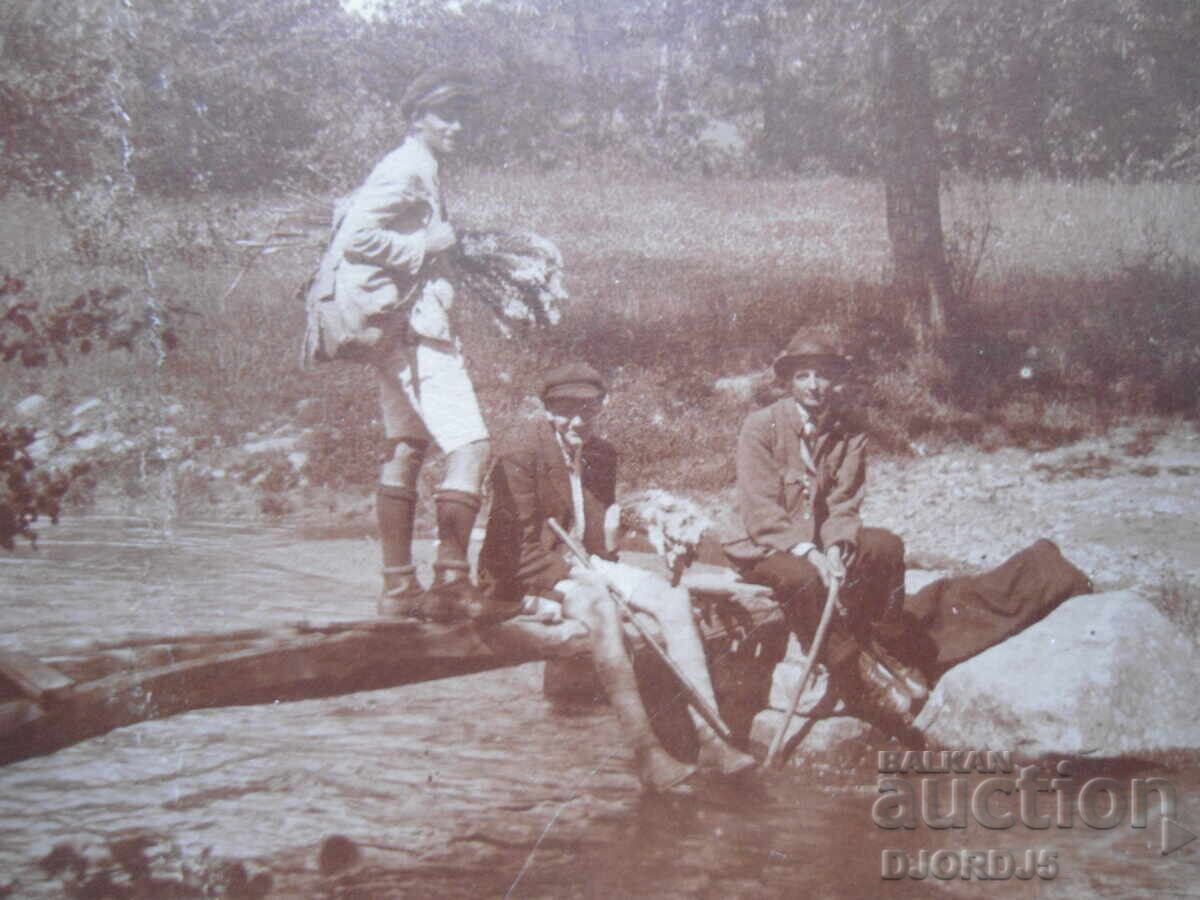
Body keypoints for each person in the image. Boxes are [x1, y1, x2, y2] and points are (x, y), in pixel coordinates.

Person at [478, 363, 757, 792]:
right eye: (565, 409)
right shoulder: (519, 454)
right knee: (601, 607)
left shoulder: (601, 454)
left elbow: (596, 539)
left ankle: (711, 737)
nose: (577, 420)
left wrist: (627, 527)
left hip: (582, 563)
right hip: (525, 572)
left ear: (600, 407)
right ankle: (646, 753)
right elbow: (516, 549)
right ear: (547, 408)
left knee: (672, 598)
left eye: (587, 409)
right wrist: (585, 576)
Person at [304, 69, 496, 623]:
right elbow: (357, 236)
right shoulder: (407, 165)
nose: (459, 127)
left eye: (464, 117)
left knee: (408, 444)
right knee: (470, 446)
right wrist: (426, 243)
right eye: (446, 116)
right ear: (417, 119)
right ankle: (452, 582)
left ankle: (396, 588)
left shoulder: (416, 164)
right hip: (415, 329)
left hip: (396, 328)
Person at [726, 330, 927, 728]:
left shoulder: (849, 429)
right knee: (802, 577)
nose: (814, 386)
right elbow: (761, 510)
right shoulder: (761, 426)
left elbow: (844, 499)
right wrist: (811, 552)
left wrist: (836, 545)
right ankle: (854, 670)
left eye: (822, 376)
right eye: (802, 376)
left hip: (818, 539)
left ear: (836, 380)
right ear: (788, 382)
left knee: (885, 546)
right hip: (763, 544)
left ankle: (886, 649)